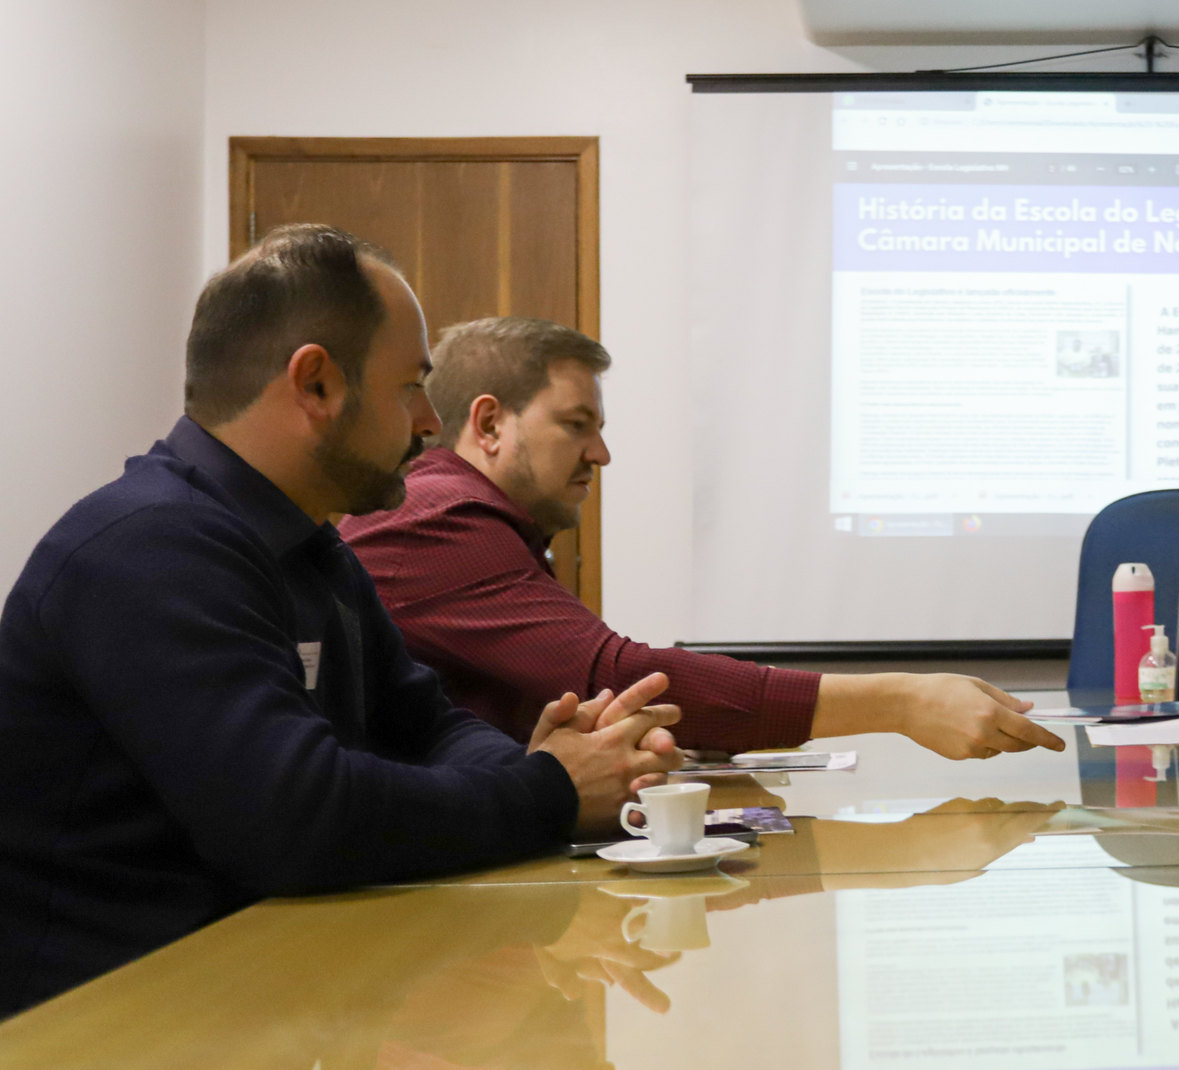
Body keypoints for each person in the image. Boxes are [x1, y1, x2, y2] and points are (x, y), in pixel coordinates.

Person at [0, 225, 684, 1017]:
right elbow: (293, 819)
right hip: (100, 1043)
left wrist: (544, 770)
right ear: (317, 385)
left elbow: (426, 725)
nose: (429, 421)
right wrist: (551, 789)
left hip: (248, 1007)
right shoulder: (150, 546)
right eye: (410, 387)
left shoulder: (310, 546)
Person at [338, 317, 1066, 761]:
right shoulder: (437, 519)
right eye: (576, 425)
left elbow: (580, 697)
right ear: (490, 424)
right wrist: (900, 702)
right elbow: (614, 672)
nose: (601, 455)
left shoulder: (473, 517)